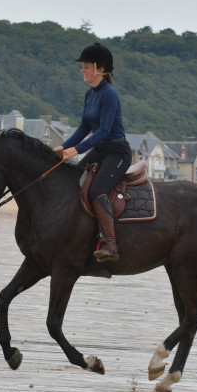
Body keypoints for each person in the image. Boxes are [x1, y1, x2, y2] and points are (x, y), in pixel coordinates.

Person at [54, 43, 130, 262]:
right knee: (73, 181)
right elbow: (83, 128)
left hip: (117, 152)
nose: (82, 70)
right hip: (100, 150)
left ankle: (110, 245)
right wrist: (63, 146)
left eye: (86, 66)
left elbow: (104, 130)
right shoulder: (90, 94)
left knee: (96, 190)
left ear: (100, 69)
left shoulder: (110, 94)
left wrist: (77, 150)